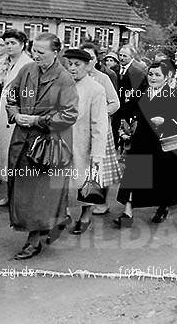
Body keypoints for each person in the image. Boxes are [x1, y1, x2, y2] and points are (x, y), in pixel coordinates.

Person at [6, 33, 78, 260]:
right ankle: (44, 226)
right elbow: (11, 95)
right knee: (24, 193)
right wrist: (15, 113)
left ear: (55, 52)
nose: (35, 55)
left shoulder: (64, 79)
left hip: (48, 146)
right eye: (33, 50)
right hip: (23, 139)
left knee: (40, 194)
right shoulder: (27, 70)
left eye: (40, 52)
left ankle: (33, 240)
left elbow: (69, 114)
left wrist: (38, 121)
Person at [115, 60, 177, 227]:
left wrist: (166, 121)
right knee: (134, 177)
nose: (153, 78)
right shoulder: (142, 93)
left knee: (163, 179)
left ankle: (162, 207)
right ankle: (128, 213)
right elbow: (126, 109)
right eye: (151, 74)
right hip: (142, 140)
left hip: (164, 144)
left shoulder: (174, 95)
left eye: (158, 75)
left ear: (166, 77)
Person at [0, 30, 33, 203]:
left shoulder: (28, 65)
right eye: (6, 43)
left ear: (22, 45)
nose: (9, 47)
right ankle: (8, 193)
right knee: (0, 150)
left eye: (13, 43)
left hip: (16, 115)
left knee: (15, 155)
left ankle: (16, 197)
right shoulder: (0, 63)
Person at [63, 49, 107, 235]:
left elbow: (99, 123)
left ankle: (86, 213)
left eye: (77, 64)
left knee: (87, 179)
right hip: (63, 141)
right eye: (69, 64)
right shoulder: (62, 85)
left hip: (84, 141)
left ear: (88, 66)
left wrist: (97, 152)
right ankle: (62, 213)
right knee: (61, 179)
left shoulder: (96, 89)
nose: (72, 68)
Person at [80, 43, 122, 216]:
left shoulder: (102, 78)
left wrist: (98, 113)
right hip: (80, 129)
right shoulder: (74, 77)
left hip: (99, 128)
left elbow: (115, 103)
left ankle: (101, 202)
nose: (87, 61)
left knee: (99, 166)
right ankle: (84, 201)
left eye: (91, 58)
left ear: (96, 60)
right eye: (84, 57)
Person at [115, 45, 147, 149]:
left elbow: (141, 94)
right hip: (116, 109)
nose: (122, 58)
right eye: (120, 55)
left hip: (130, 110)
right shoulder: (114, 69)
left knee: (128, 139)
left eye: (125, 56)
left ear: (131, 57)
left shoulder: (138, 72)